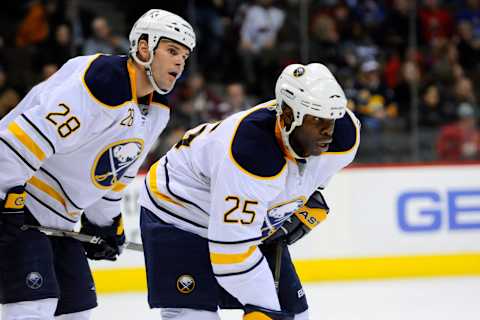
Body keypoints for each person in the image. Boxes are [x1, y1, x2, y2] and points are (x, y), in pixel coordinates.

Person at [0, 9, 195, 320]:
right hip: (22, 205)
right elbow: (19, 141)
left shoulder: (157, 112)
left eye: (184, 56)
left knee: (78, 312)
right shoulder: (101, 81)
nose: (179, 63)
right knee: (33, 309)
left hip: (61, 221)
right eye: (172, 51)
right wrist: (4, 199)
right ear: (144, 48)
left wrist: (103, 224)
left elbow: (114, 177)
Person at [139, 63, 360, 319]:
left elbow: (308, 183)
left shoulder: (344, 137)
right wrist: (262, 307)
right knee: (195, 315)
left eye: (332, 118)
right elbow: (230, 254)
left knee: (297, 316)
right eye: (316, 119)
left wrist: (298, 206)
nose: (327, 130)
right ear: (288, 116)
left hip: (238, 219)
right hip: (179, 211)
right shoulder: (250, 152)